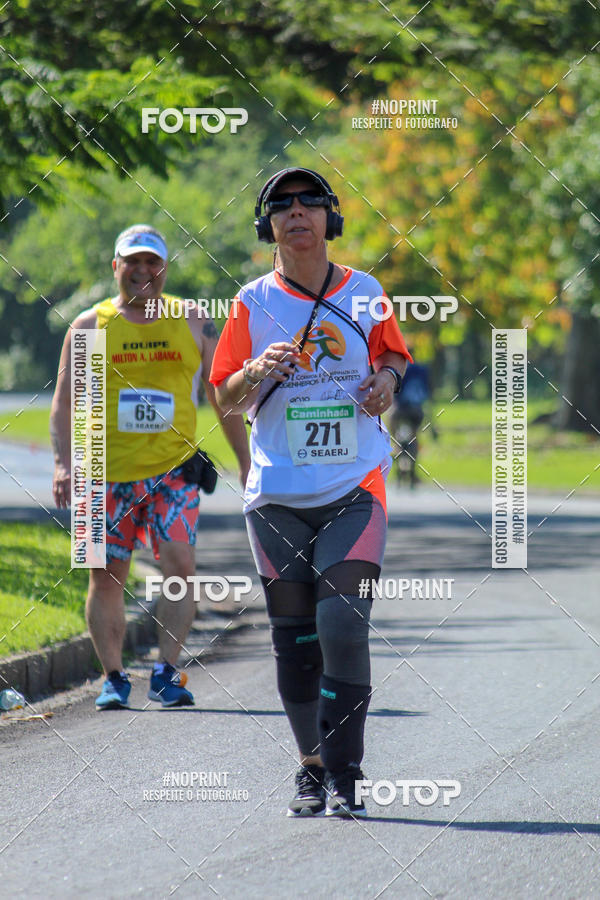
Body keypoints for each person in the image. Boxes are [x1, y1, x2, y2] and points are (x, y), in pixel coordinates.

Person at [210, 168, 412, 817]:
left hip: (355, 482)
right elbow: (222, 394)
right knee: (295, 641)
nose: (296, 213)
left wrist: (385, 379)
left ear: (330, 217)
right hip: (276, 494)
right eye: (281, 205)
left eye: (309, 203)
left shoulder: (368, 291)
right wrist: (253, 370)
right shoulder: (250, 302)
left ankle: (347, 778)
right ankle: (311, 767)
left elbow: (393, 356)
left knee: (342, 623)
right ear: (267, 225)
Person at [50, 225, 250, 710]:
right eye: (132, 262)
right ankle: (114, 678)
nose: (142, 271)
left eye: (152, 263)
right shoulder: (91, 326)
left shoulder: (190, 320)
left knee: (180, 565)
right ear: (115, 268)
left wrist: (247, 463)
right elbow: (65, 403)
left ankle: (165, 672)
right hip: (102, 468)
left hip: (173, 468)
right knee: (106, 575)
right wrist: (63, 464)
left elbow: (223, 398)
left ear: (163, 269)